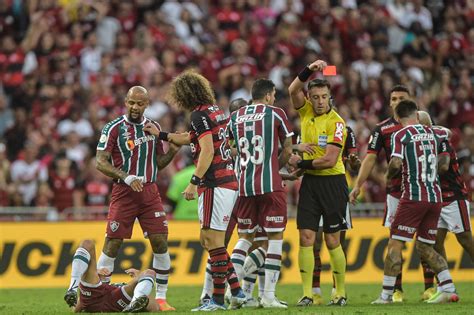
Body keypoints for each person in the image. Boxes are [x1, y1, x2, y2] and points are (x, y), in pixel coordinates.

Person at [147, 70, 246, 311]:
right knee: (210, 241)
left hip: (215, 183)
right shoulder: (213, 111)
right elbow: (187, 139)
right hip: (226, 181)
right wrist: (160, 134)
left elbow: (207, 151)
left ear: (184, 94)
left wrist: (194, 181)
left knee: (213, 242)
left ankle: (218, 300)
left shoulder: (199, 115)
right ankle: (238, 291)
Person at [94, 86, 180, 311]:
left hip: (150, 192)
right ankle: (101, 294)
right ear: (126, 101)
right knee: (113, 242)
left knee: (160, 241)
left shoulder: (154, 127)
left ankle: (161, 298)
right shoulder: (113, 128)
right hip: (123, 193)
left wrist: (172, 151)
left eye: (140, 103)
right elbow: (100, 162)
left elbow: (158, 163)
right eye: (132, 102)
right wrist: (126, 176)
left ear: (147, 104)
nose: (135, 107)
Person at [372, 100, 459, 304]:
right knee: (424, 247)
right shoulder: (435, 133)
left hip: (413, 196)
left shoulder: (400, 134)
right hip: (435, 197)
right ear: (416, 116)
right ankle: (448, 288)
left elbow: (394, 162)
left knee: (394, 244)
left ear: (398, 118)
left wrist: (387, 175)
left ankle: (385, 295)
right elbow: (449, 133)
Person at [227, 78, 293, 308]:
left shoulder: (235, 116)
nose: (274, 98)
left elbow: (227, 147)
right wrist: (274, 166)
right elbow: (288, 147)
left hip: (244, 187)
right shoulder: (276, 113)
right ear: (267, 95)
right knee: (274, 240)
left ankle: (233, 290)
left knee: (245, 239)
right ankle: (268, 295)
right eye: (273, 94)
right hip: (269, 185)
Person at [288, 60, 348, 307]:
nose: (320, 101)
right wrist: (309, 70)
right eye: (316, 97)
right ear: (310, 99)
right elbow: (293, 90)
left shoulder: (337, 123)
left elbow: (329, 160)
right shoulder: (306, 112)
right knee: (305, 237)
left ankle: (340, 292)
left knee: (333, 240)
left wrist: (299, 163)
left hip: (333, 182)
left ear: (330, 97)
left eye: (324, 96)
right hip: (311, 184)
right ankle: (307, 294)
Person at [349, 85, 415, 302]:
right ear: (389, 102)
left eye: (401, 98)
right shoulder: (382, 129)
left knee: (428, 242)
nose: (397, 102)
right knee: (395, 241)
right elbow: (370, 158)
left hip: (422, 190)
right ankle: (397, 289)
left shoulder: (422, 123)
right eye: (393, 98)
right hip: (396, 192)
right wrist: (358, 185)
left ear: (410, 101)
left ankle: (430, 288)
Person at [417, 111, 473, 297]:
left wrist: (422, 170)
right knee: (435, 243)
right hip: (436, 199)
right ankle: (445, 287)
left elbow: (442, 165)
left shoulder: (441, 141)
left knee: (465, 240)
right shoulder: (419, 144)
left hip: (453, 197)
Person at [310, 125, 361, 304]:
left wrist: (354, 162)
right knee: (314, 242)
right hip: (314, 190)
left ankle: (337, 290)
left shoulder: (344, 129)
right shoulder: (309, 125)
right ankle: (314, 291)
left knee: (338, 243)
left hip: (336, 190)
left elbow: (355, 161)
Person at [63, 239, 158, 313]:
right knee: (150, 273)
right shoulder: (137, 289)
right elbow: (155, 307)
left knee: (87, 243)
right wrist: (140, 277)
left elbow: (78, 307)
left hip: (97, 298)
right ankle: (136, 301)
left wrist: (94, 273)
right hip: (119, 299)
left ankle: (72, 288)